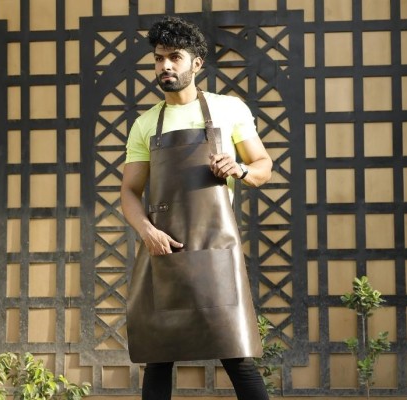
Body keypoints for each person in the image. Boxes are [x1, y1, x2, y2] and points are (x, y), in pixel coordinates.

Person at [120, 16, 273, 400]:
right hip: (165, 249)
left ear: (197, 63)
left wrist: (238, 169)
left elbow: (263, 167)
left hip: (216, 251)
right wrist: (148, 232)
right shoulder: (145, 124)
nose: (165, 66)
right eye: (159, 58)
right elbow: (129, 192)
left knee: (236, 354)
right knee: (159, 356)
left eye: (175, 57)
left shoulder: (229, 109)